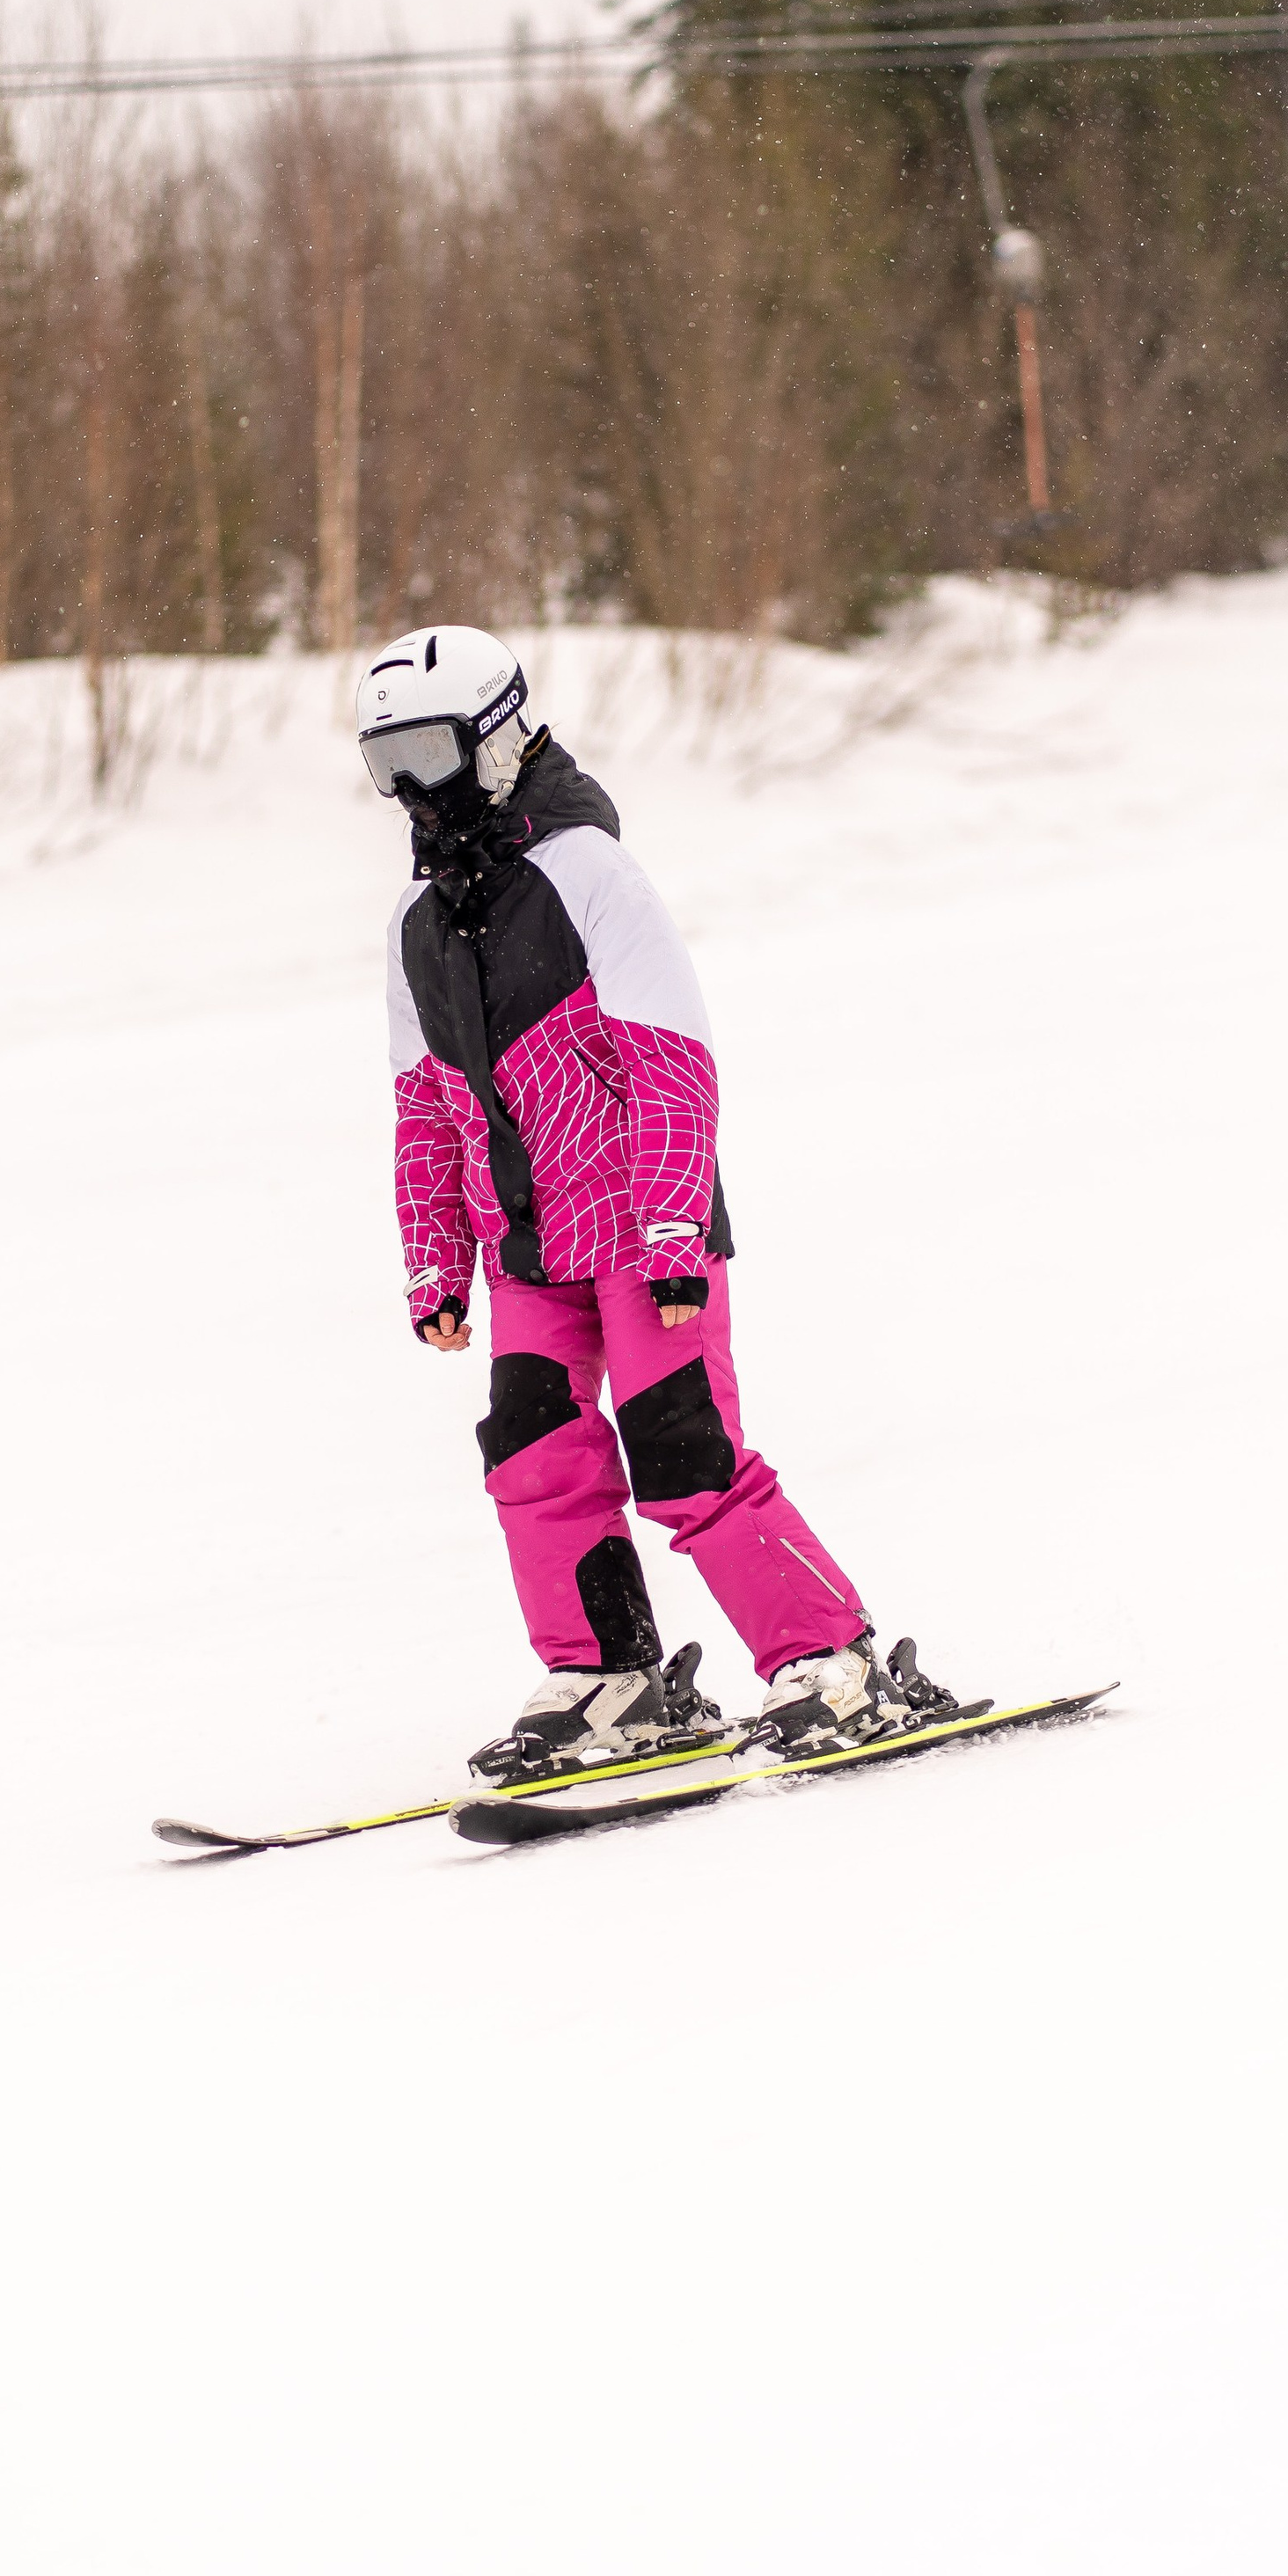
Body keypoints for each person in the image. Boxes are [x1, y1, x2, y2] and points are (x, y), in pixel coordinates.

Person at [362, 621, 916, 1782]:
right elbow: (425, 1110)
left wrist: (673, 1227)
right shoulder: (417, 925)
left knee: (685, 1455)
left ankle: (834, 1659)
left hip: (641, 1231)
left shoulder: (588, 874)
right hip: (527, 1252)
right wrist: (436, 1263)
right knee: (533, 1458)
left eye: (428, 752)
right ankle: (610, 1677)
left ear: (497, 737)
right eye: (386, 762)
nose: (413, 787)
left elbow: (672, 1061)